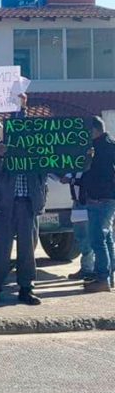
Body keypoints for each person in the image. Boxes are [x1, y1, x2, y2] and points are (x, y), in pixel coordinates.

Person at [0, 130, 48, 305]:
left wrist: (83, 156)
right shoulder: (2, 151)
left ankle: (26, 288)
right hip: (5, 206)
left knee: (27, 250)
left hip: (28, 205)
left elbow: (59, 167)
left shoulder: (38, 152)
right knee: (0, 249)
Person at [81, 116, 115, 293]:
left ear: (94, 130)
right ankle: (108, 277)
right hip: (106, 199)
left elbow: (96, 173)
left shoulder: (101, 148)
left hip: (101, 199)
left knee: (97, 239)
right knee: (107, 238)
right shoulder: (110, 144)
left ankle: (103, 279)